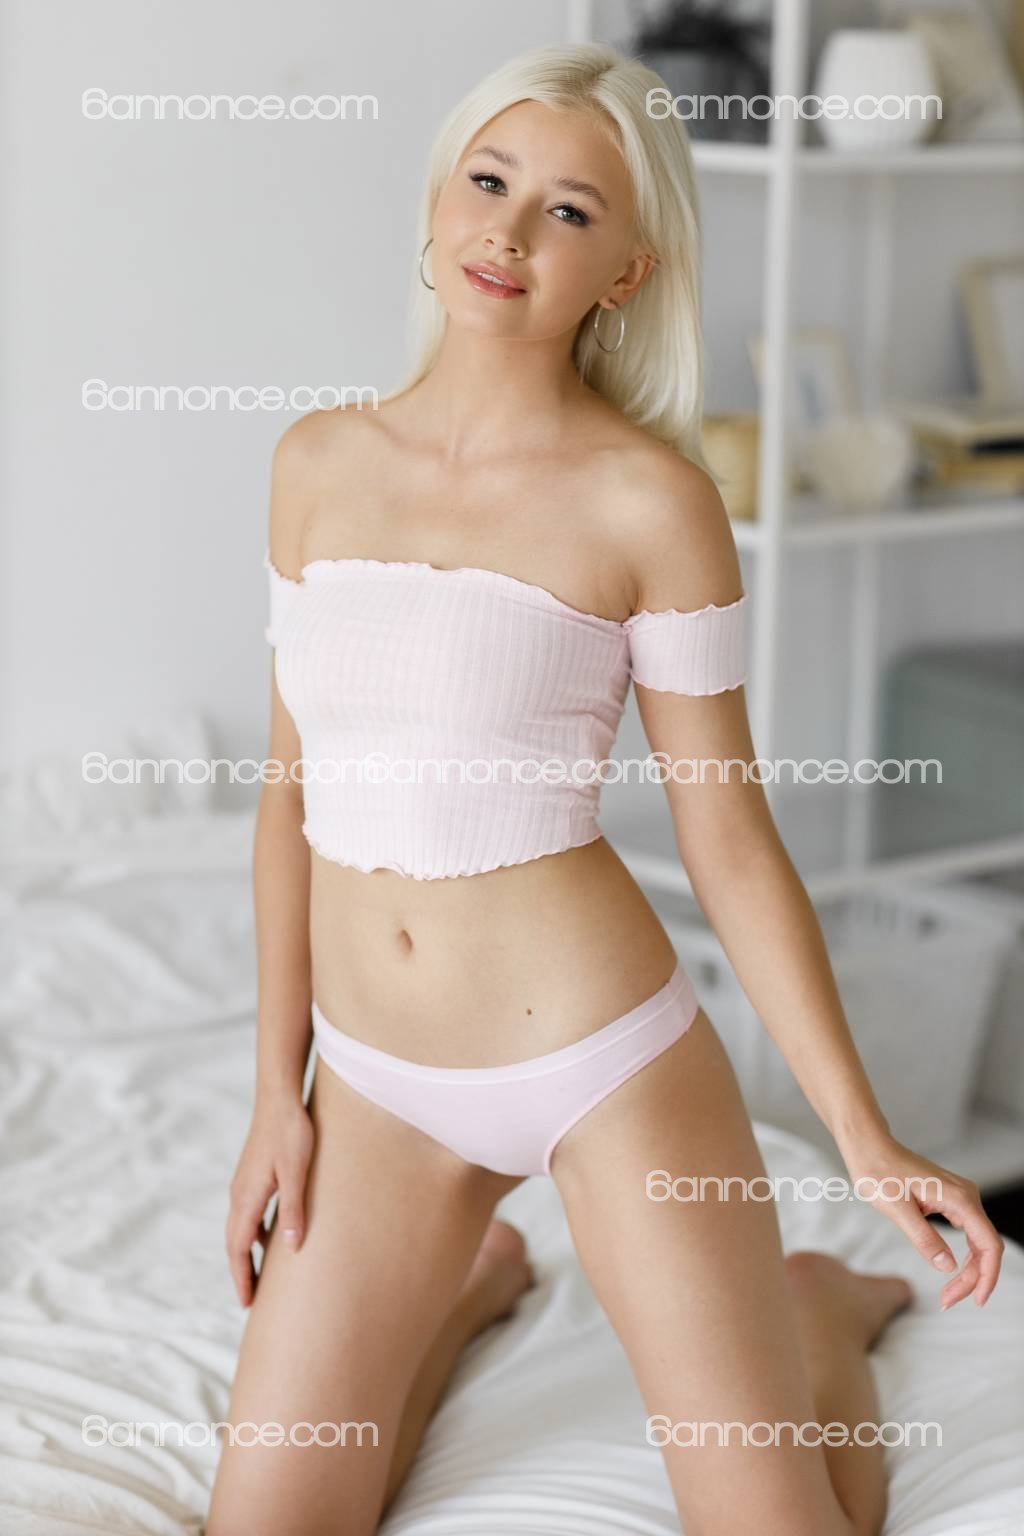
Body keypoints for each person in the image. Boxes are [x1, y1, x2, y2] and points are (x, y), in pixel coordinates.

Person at [205, 41, 1004, 1536]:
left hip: (597, 1063)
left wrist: (864, 1136)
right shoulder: (313, 461)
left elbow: (729, 836)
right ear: (440, 199)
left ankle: (818, 1316)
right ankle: (464, 1291)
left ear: (628, 272)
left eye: (569, 211)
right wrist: (274, 1097)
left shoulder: (652, 502)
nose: (510, 231)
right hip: (373, 1088)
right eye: (490, 180)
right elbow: (283, 797)